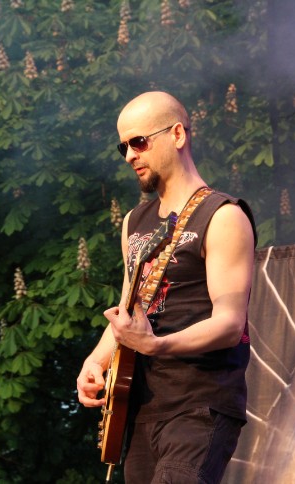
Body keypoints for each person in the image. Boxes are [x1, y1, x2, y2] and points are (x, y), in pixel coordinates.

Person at [76, 91, 256, 483]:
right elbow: (129, 310)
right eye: (123, 147)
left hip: (199, 404)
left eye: (139, 142)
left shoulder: (223, 216)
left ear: (177, 134)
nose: (129, 156)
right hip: (141, 407)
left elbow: (230, 324)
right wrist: (95, 361)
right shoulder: (133, 222)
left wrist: (156, 345)